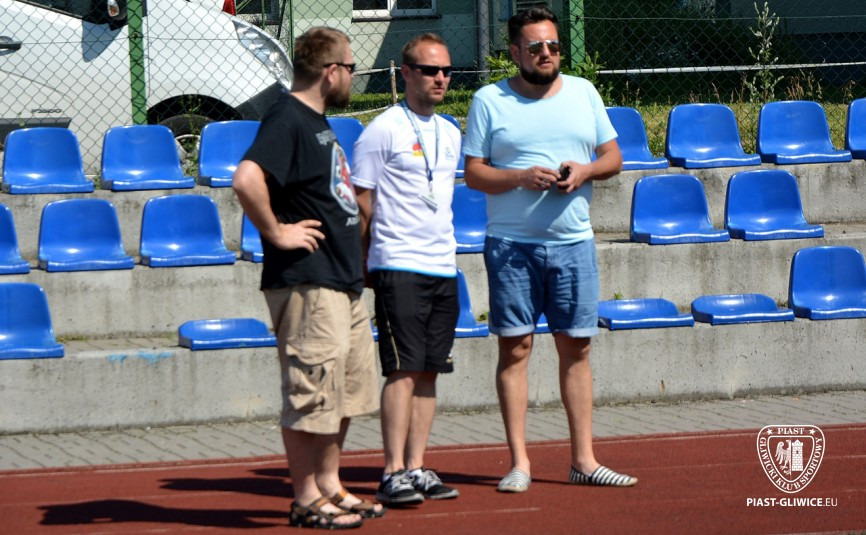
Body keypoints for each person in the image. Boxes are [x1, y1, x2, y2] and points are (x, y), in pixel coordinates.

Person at [463, 6, 638, 493]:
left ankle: (584, 460)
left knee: (576, 348)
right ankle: (519, 463)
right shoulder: (488, 100)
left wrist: (585, 171)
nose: (547, 54)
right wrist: (520, 177)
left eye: (554, 45)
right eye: (536, 47)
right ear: (514, 52)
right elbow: (474, 173)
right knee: (515, 348)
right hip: (511, 246)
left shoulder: (584, 92)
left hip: (573, 243)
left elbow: (613, 157)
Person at [232, 27, 384, 529]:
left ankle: (329, 485)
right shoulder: (288, 117)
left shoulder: (316, 121)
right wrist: (276, 231)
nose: (354, 76)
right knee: (311, 393)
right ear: (331, 71)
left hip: (340, 281)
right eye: (351, 67)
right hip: (308, 282)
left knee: (343, 393)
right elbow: (246, 178)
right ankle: (305, 498)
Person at [351, 33, 463, 506]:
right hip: (398, 263)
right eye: (430, 70)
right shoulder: (382, 129)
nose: (440, 78)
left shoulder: (451, 132)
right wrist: (366, 259)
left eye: (446, 71)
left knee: (430, 370)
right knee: (402, 368)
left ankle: (417, 466)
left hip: (442, 264)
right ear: (407, 73)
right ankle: (392, 470)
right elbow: (361, 199)